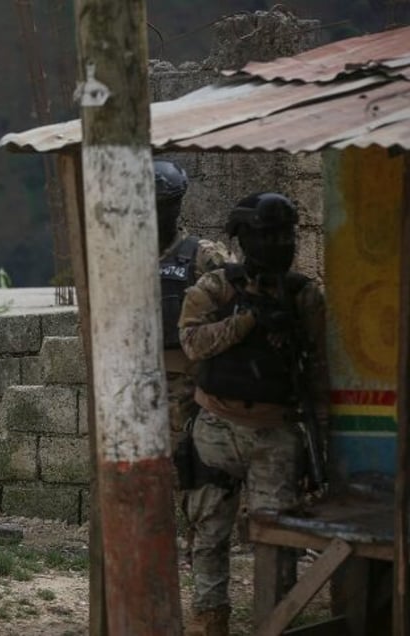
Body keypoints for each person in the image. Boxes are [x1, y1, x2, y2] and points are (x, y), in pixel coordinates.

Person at [178, 192, 329, 636]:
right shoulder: (216, 288)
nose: (280, 244)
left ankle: (274, 622)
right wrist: (247, 323)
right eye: (269, 235)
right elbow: (192, 345)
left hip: (275, 434)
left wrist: (322, 437)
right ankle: (210, 623)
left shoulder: (303, 296)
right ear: (245, 238)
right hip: (216, 429)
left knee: (277, 542)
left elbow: (320, 372)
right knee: (208, 536)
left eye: (287, 235)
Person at [154, 159, 231, 493]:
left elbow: (236, 307)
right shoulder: (122, 256)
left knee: (191, 466)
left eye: (164, 207)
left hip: (191, 384)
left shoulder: (203, 257)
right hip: (138, 384)